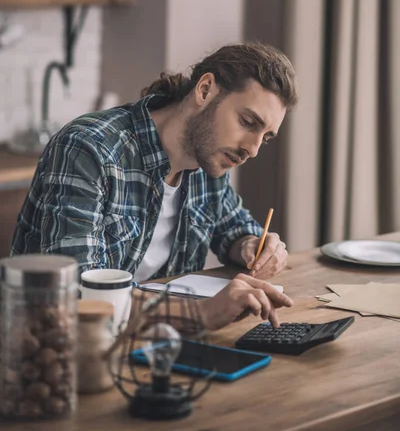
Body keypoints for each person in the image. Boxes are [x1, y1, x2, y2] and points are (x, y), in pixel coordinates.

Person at [11, 42, 298, 330]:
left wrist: (254, 246)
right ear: (205, 90)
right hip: (57, 350)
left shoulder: (210, 161)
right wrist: (200, 313)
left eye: (266, 137)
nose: (253, 148)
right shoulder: (89, 149)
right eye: (248, 122)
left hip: (156, 344)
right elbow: (79, 294)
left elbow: (235, 230)